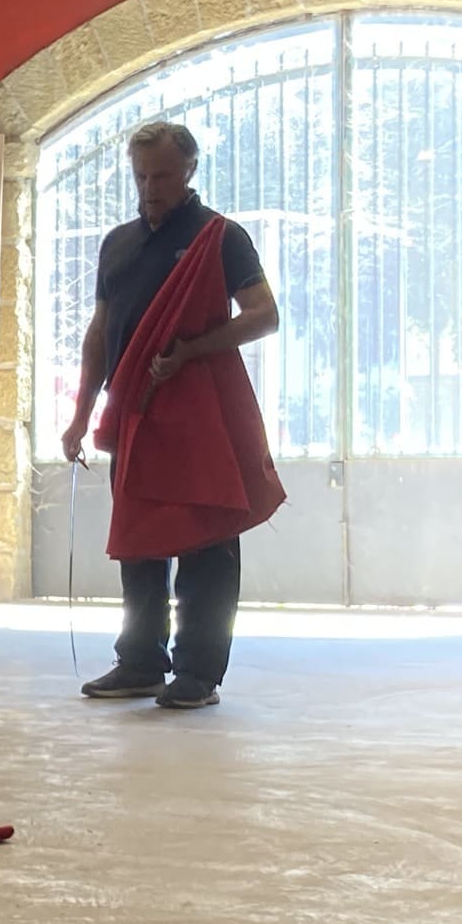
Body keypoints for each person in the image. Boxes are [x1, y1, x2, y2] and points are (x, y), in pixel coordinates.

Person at [61, 121, 280, 710]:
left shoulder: (221, 237)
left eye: (161, 175)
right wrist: (80, 415)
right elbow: (101, 333)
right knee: (139, 541)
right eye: (140, 176)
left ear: (189, 171)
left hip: (199, 416)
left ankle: (199, 673)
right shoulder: (118, 243)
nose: (149, 188)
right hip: (135, 413)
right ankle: (139, 663)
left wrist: (193, 349)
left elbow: (264, 315)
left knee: (206, 542)